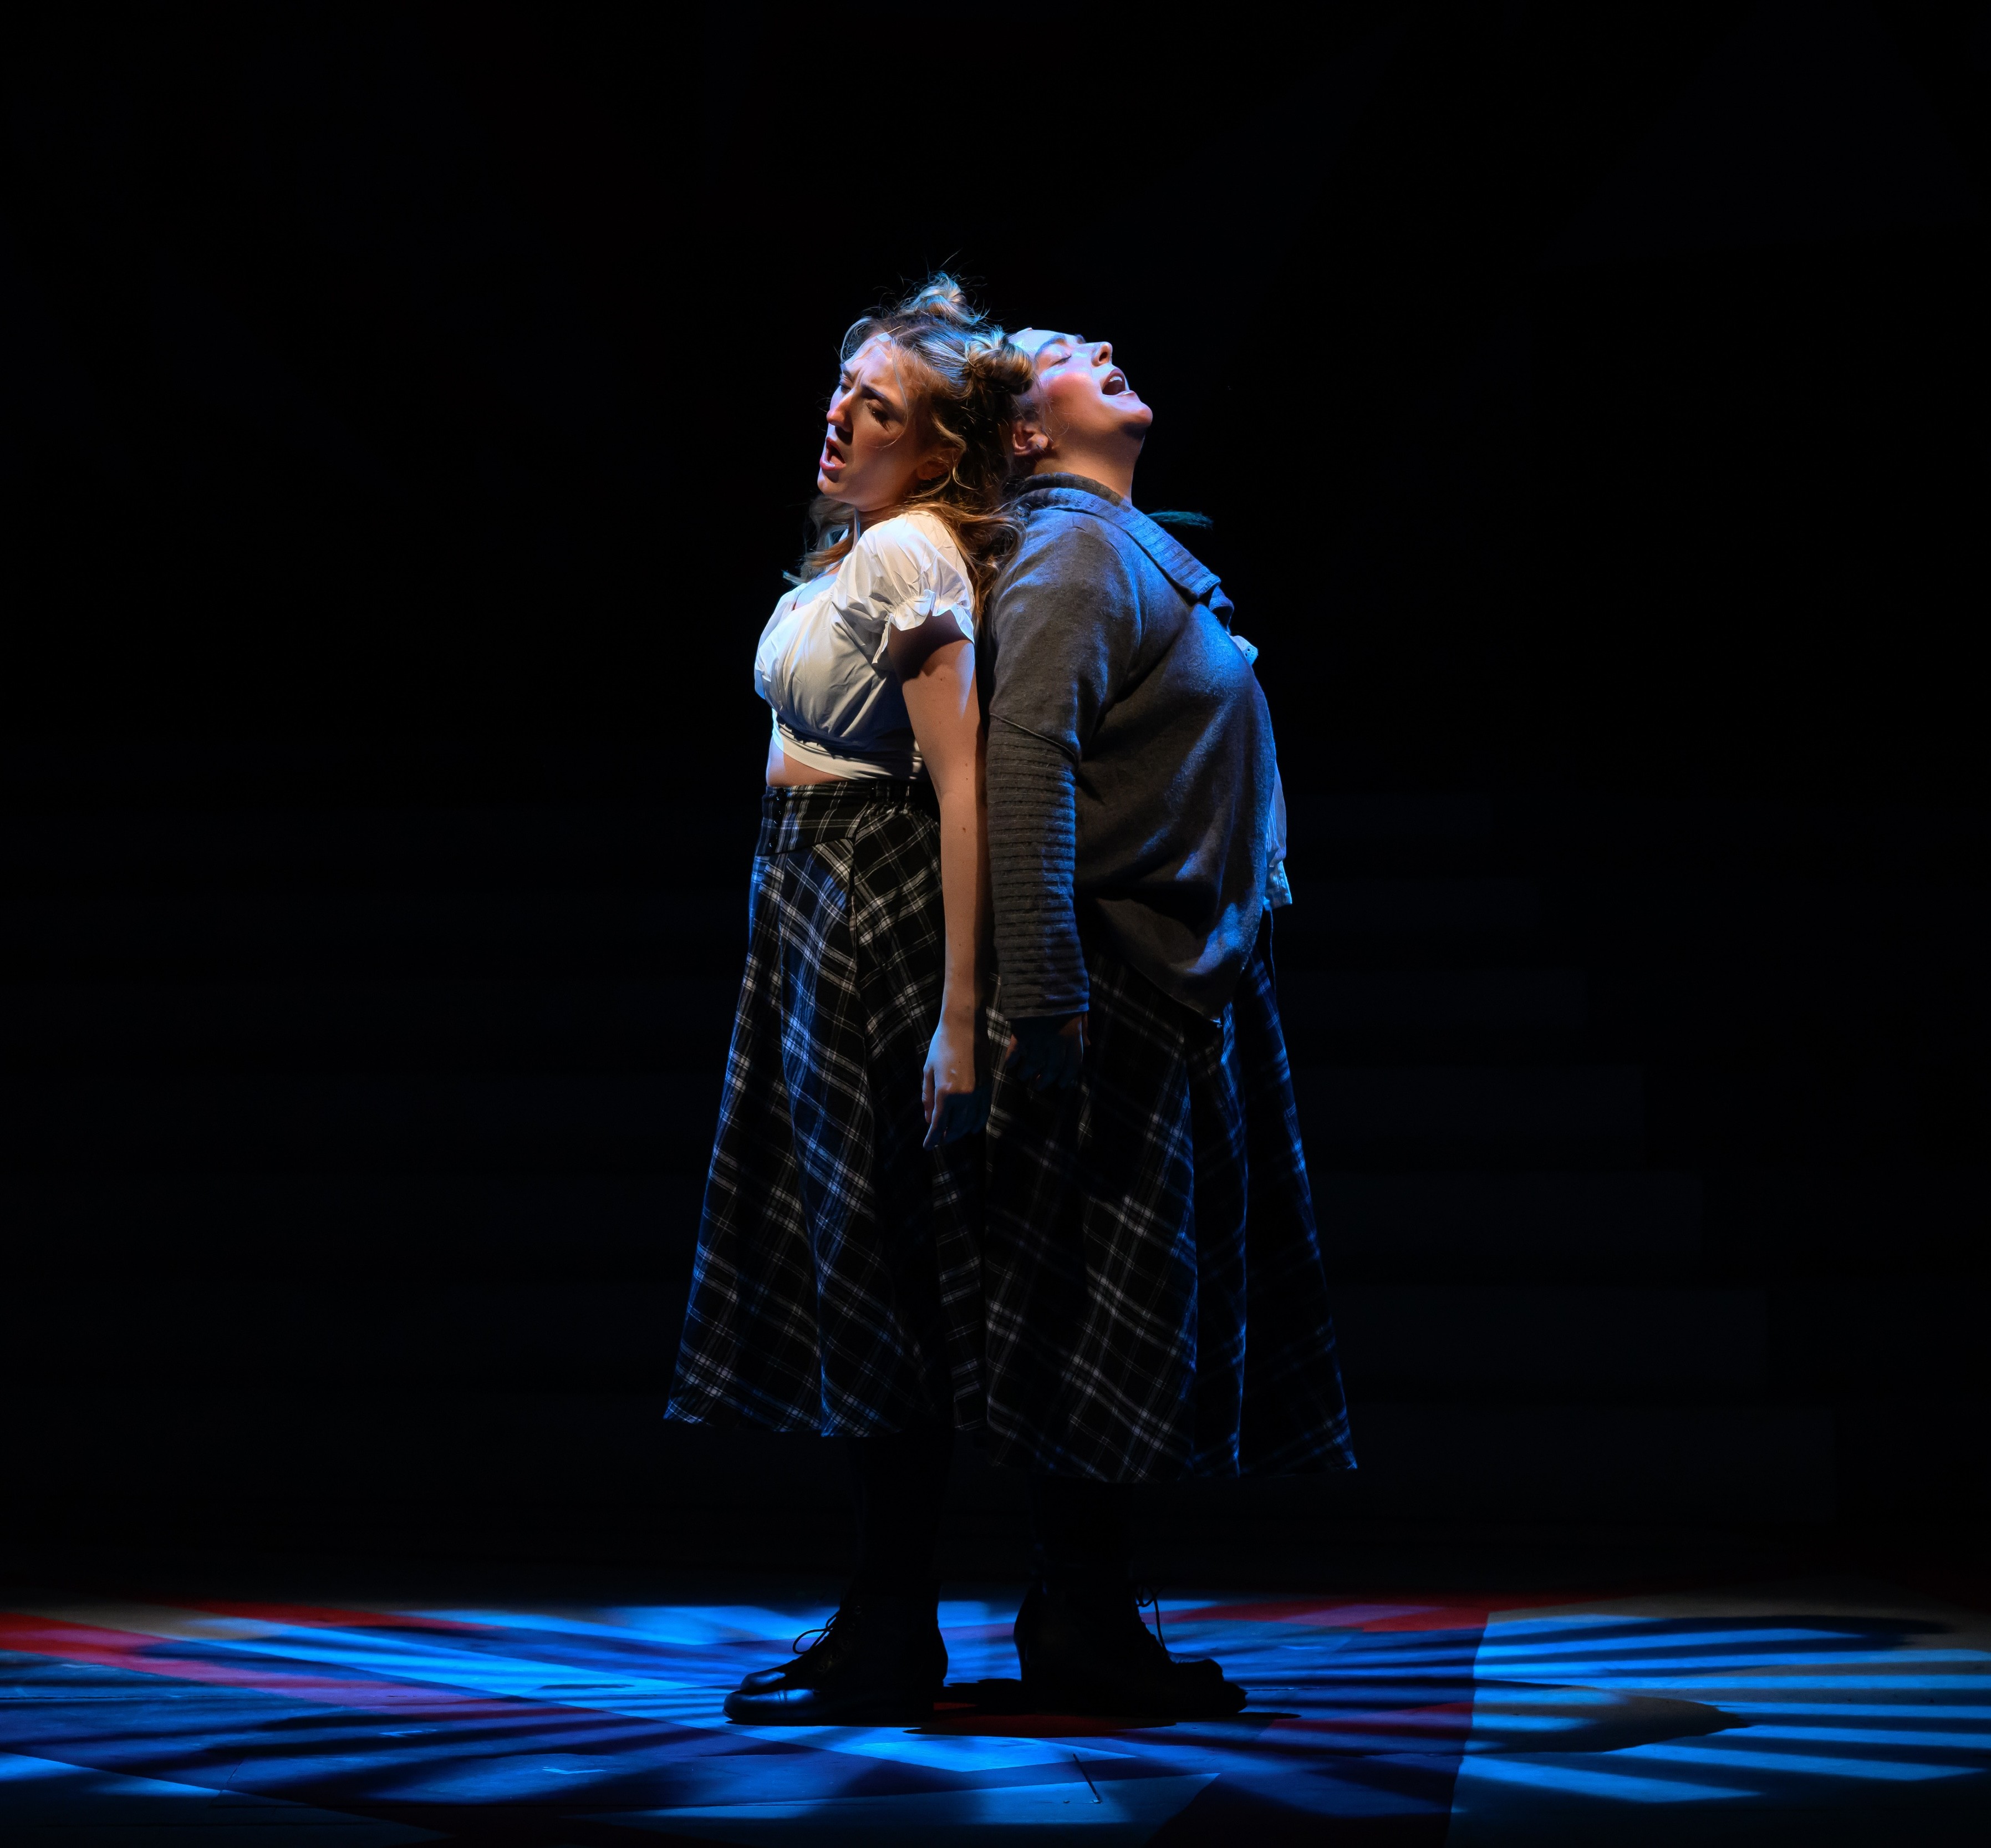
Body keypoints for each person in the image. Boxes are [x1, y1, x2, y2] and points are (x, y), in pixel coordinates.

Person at [665, 278, 1031, 1723]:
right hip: (813, 904)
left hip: (869, 905)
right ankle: (881, 1610)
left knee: (878, 1263)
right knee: (850, 1257)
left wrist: (960, 1014)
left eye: (875, 407)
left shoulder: (908, 551)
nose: (839, 416)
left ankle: (893, 1619)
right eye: (843, 390)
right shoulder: (857, 546)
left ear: (937, 449)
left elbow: (962, 786)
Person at [979, 327, 1356, 1716]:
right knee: (1106, 1305)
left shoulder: (1120, 549)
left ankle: (1089, 1609)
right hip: (1119, 982)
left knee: (1136, 1305)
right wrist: (1045, 994)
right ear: (1024, 435)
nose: (1098, 343)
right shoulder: (1072, 554)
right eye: (1055, 353)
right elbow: (1026, 765)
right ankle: (1077, 1619)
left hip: (1176, 980)